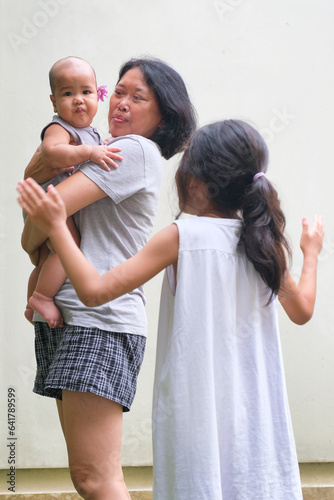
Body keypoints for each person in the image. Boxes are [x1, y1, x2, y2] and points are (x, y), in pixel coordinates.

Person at [18, 119, 324, 500]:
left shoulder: (183, 236)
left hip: (194, 412)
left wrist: (57, 227)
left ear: (193, 182)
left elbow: (95, 292)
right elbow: (303, 310)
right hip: (257, 418)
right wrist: (310, 254)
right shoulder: (265, 243)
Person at [19, 57, 197, 500]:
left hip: (100, 322)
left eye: (138, 97)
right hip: (73, 316)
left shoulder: (134, 150)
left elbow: (45, 213)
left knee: (96, 477)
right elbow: (33, 233)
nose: (120, 102)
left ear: (163, 116)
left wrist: (40, 202)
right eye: (118, 91)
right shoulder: (95, 145)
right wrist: (40, 213)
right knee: (88, 475)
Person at [25, 56, 122, 328]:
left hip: (54, 201)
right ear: (54, 102)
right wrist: (90, 152)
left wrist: (99, 144)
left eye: (86, 92)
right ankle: (43, 297)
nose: (78, 99)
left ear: (97, 97)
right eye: (68, 93)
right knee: (69, 246)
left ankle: (30, 301)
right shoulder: (58, 128)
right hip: (51, 199)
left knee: (46, 257)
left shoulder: (90, 133)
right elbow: (51, 152)